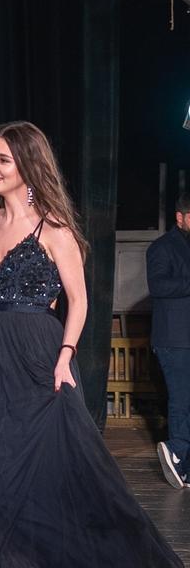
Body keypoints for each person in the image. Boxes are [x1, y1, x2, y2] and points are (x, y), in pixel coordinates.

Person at [0, 121, 182, 567]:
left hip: (36, 351)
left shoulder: (54, 229)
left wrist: (65, 355)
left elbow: (79, 300)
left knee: (46, 470)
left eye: (3, 160)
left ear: (28, 166)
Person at [147, 192, 190, 489]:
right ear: (180, 217)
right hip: (174, 339)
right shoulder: (162, 247)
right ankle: (176, 452)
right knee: (182, 400)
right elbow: (158, 286)